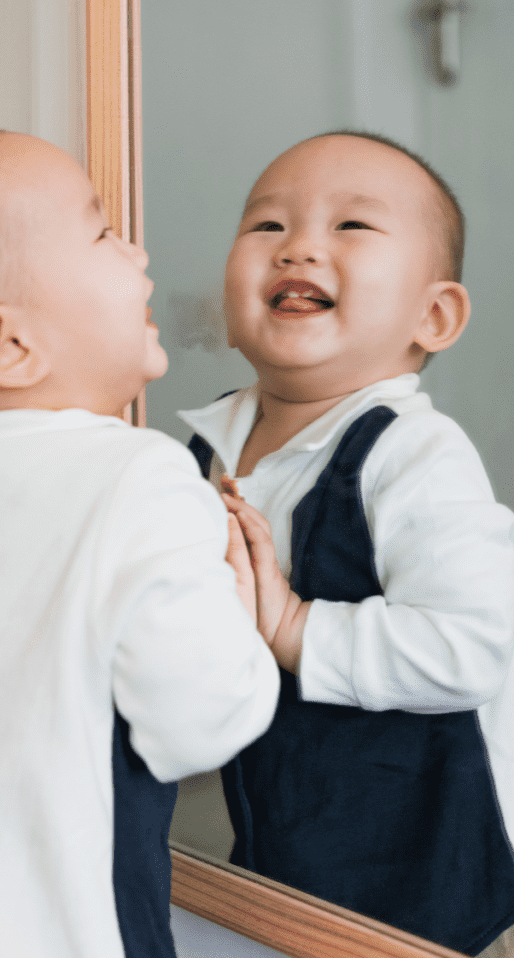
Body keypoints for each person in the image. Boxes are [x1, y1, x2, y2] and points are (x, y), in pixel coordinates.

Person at [0, 128, 280, 958]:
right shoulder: (138, 475)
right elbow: (198, 725)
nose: (138, 251)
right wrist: (245, 619)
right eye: (102, 232)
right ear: (8, 344)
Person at [180, 131, 514, 958]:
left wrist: (294, 629)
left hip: (416, 868)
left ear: (432, 315)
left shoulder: (412, 455)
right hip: (269, 849)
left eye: (351, 227)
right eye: (265, 226)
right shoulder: (198, 451)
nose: (297, 245)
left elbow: (474, 646)